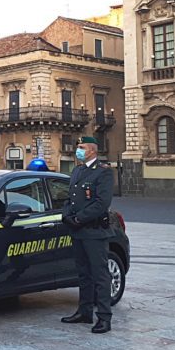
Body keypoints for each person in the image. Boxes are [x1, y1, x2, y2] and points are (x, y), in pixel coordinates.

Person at [60, 136, 115, 334]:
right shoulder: (78, 170)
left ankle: (104, 317)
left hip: (94, 231)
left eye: (82, 147)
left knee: (100, 275)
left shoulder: (103, 172)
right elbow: (70, 198)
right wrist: (66, 215)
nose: (78, 150)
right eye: (78, 147)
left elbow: (102, 203)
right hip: (78, 231)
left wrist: (79, 218)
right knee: (83, 274)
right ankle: (84, 312)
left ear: (92, 150)